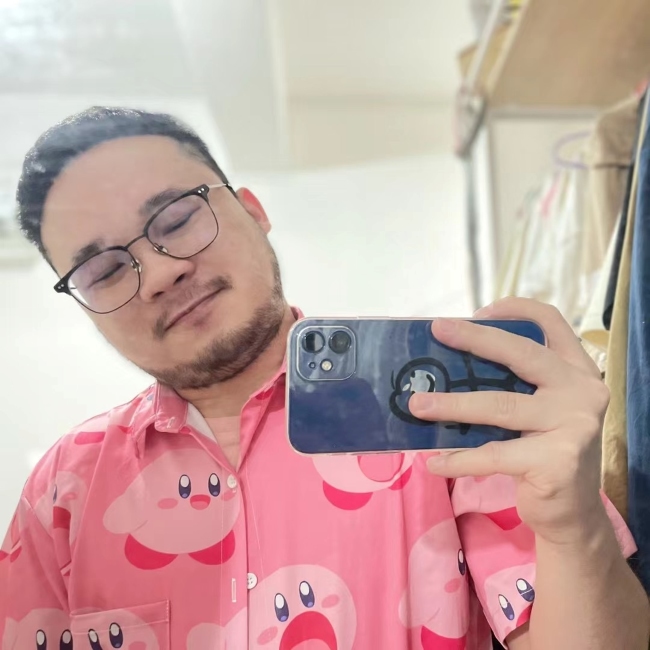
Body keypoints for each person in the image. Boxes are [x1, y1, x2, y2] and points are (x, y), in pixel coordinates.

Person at [0, 107, 647, 650]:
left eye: (176, 220)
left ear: (253, 210)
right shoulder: (64, 491)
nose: (162, 274)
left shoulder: (444, 413)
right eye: (105, 271)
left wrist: (572, 528)